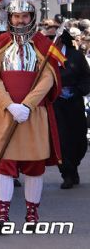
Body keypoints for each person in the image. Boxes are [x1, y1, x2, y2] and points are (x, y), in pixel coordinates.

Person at [0, 0, 62, 228]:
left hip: (34, 113)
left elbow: (48, 77)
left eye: (24, 16)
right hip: (5, 114)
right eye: (15, 16)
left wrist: (27, 105)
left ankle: (32, 213)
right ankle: (2, 214)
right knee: (4, 164)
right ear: (10, 18)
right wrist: (9, 105)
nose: (20, 20)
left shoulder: (42, 44)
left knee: (35, 165)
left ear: (32, 17)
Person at [44, 26, 90, 189]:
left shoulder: (76, 56)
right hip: (56, 104)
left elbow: (86, 77)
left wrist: (77, 91)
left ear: (59, 39)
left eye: (51, 38)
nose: (48, 41)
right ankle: (67, 174)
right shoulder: (45, 58)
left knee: (78, 140)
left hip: (75, 103)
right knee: (61, 140)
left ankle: (74, 166)